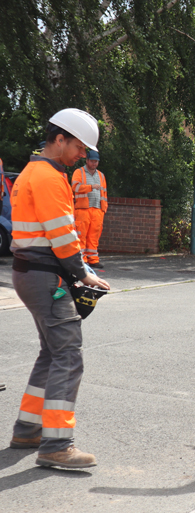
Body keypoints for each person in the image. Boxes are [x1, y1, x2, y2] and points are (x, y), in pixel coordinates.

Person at [8, 108, 110, 469]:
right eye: (80, 147)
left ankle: (28, 430)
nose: (83, 155)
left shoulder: (29, 172)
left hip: (30, 274)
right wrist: (84, 274)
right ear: (60, 139)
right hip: (45, 276)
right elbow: (63, 236)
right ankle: (56, 444)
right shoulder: (51, 178)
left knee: (50, 353)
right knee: (68, 354)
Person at [71, 148, 108, 269]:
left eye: (96, 161)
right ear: (87, 160)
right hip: (83, 209)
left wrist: (104, 209)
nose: (94, 164)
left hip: (97, 209)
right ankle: (82, 259)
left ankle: (93, 259)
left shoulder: (101, 175)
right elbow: (75, 187)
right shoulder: (79, 172)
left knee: (94, 236)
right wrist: (90, 187)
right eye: (92, 161)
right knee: (81, 235)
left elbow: (104, 194)